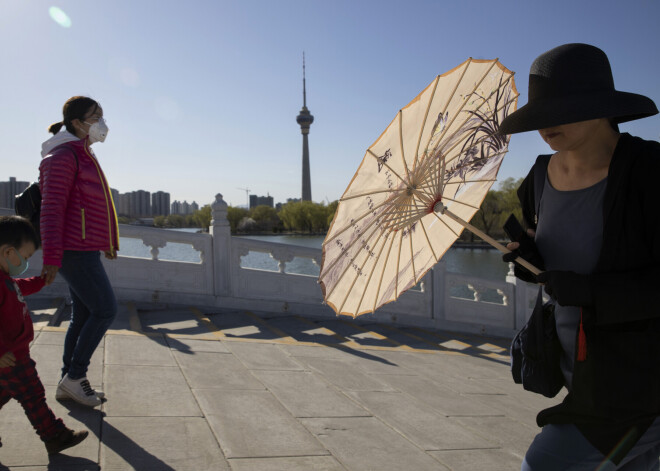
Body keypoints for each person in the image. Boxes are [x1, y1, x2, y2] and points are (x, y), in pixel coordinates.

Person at [500, 43, 660, 470]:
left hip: (637, 383)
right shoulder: (537, 178)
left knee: (544, 462)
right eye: (540, 114)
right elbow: (553, 261)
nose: (546, 125)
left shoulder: (649, 171)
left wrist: (590, 291)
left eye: (562, 109)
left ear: (601, 105)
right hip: (580, 374)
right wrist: (531, 261)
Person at [39, 96, 119, 407]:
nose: (101, 122)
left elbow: (87, 207)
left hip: (84, 248)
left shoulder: (82, 153)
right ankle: (75, 377)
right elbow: (51, 210)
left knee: (84, 314)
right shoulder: (62, 156)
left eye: (102, 115)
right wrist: (51, 258)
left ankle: (67, 380)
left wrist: (107, 242)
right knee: (105, 309)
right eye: (95, 116)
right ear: (77, 123)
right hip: (73, 250)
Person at [0, 215, 88, 454]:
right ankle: (54, 436)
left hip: (11, 356)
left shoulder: (5, 278)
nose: (26, 262)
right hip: (11, 357)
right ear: (8, 252)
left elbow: (20, 286)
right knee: (33, 395)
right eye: (25, 257)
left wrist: (41, 281)